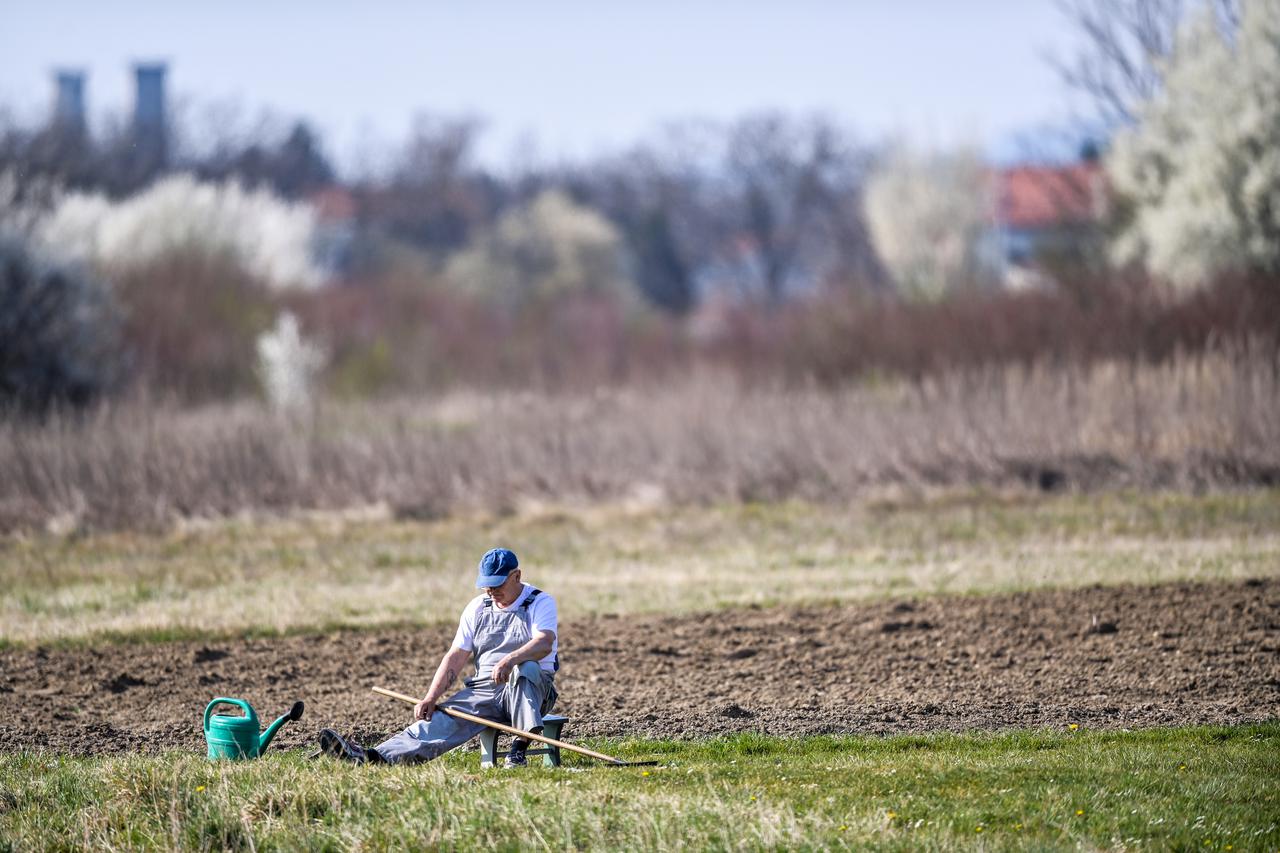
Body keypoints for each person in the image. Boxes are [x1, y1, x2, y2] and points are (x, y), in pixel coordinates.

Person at [318, 547, 559, 766]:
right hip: (486, 690)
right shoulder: (477, 607)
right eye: (487, 585)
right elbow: (456, 655)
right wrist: (431, 697)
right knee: (439, 721)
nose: (491, 591)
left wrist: (510, 660)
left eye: (497, 584)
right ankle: (374, 758)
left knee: (524, 668)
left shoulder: (539, 602)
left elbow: (544, 643)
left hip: (535, 690)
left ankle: (518, 749)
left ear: (516, 576)